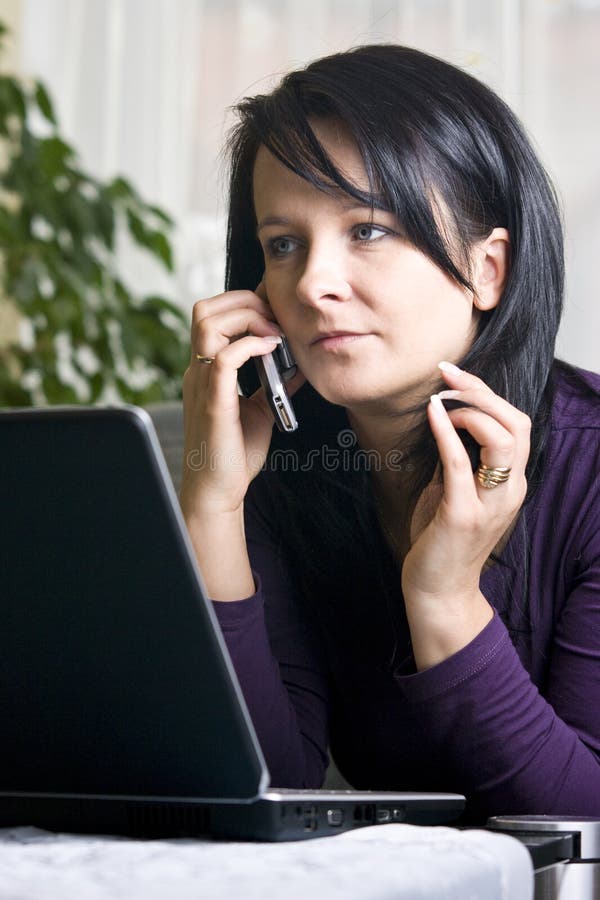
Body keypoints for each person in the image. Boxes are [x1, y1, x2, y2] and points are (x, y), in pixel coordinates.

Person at [179, 44, 600, 823]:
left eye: (368, 230)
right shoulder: (278, 463)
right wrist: (213, 505)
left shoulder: (592, 465)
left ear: (488, 270)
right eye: (283, 244)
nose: (312, 284)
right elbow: (266, 788)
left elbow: (586, 821)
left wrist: (443, 598)